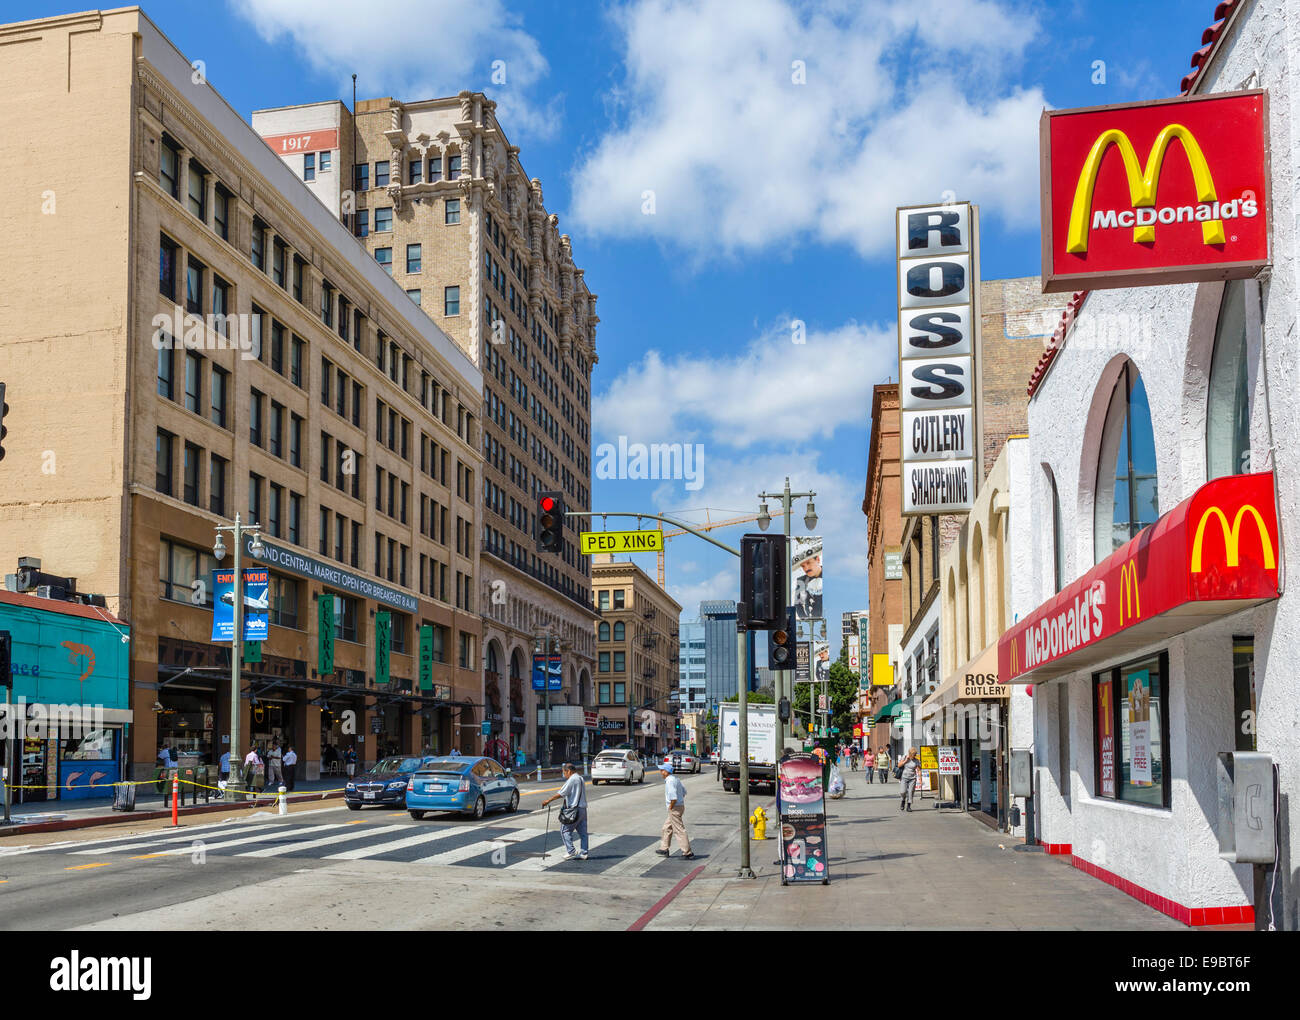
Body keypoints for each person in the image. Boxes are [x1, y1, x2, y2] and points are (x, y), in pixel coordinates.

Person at [542, 762, 589, 861]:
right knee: (583, 832)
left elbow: (561, 793)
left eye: (564, 772)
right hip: (583, 809)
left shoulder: (572, 779)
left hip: (574, 809)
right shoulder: (580, 778)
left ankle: (571, 851)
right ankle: (584, 853)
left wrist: (548, 800)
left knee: (565, 830)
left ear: (569, 771)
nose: (564, 775)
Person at [655, 763, 695, 860]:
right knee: (666, 827)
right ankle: (664, 848)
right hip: (679, 806)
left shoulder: (670, 781)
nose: (660, 772)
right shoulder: (676, 779)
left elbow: (673, 798)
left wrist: (671, 807)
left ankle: (687, 852)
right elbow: (684, 792)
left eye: (662, 770)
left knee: (679, 830)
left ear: (666, 772)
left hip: (675, 808)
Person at [899, 747, 921, 812]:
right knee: (902, 792)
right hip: (904, 777)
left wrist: (920, 778)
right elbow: (899, 765)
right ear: (910, 754)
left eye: (915, 755)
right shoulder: (905, 757)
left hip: (912, 778)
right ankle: (903, 800)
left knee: (911, 792)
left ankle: (909, 806)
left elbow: (919, 770)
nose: (914, 756)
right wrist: (905, 761)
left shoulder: (916, 761)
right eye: (913, 755)